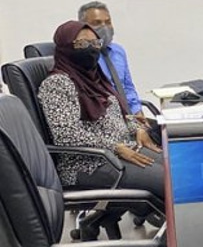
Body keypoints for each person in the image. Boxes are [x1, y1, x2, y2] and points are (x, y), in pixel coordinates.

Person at [38, 20, 166, 206]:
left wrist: (137, 128)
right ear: (66, 48)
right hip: (88, 163)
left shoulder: (95, 76)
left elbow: (117, 112)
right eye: (82, 43)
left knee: (177, 168)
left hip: (121, 149)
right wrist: (114, 147)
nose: (91, 49)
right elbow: (66, 135)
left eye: (95, 43)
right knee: (168, 182)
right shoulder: (57, 84)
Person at [78, 1, 145, 118]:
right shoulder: (81, 55)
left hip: (128, 117)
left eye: (108, 22)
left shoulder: (118, 51)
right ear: (83, 27)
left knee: (163, 127)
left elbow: (127, 88)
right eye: (97, 23)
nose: (104, 27)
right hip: (105, 117)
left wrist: (137, 112)